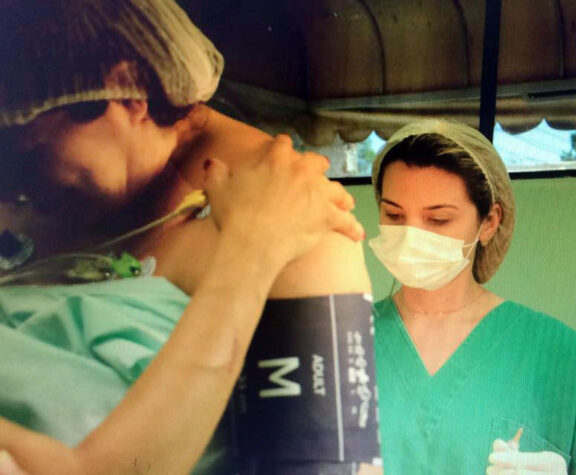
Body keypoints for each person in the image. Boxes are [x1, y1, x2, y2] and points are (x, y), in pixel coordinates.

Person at [0, 1, 378, 473]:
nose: (13, 188)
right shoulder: (49, 204)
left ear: (127, 89)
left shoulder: (293, 227)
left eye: (27, 147)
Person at [367, 120, 576, 474]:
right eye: (394, 215)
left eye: (438, 219)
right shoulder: (340, 343)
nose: (411, 236)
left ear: (488, 222)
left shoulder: (557, 353)